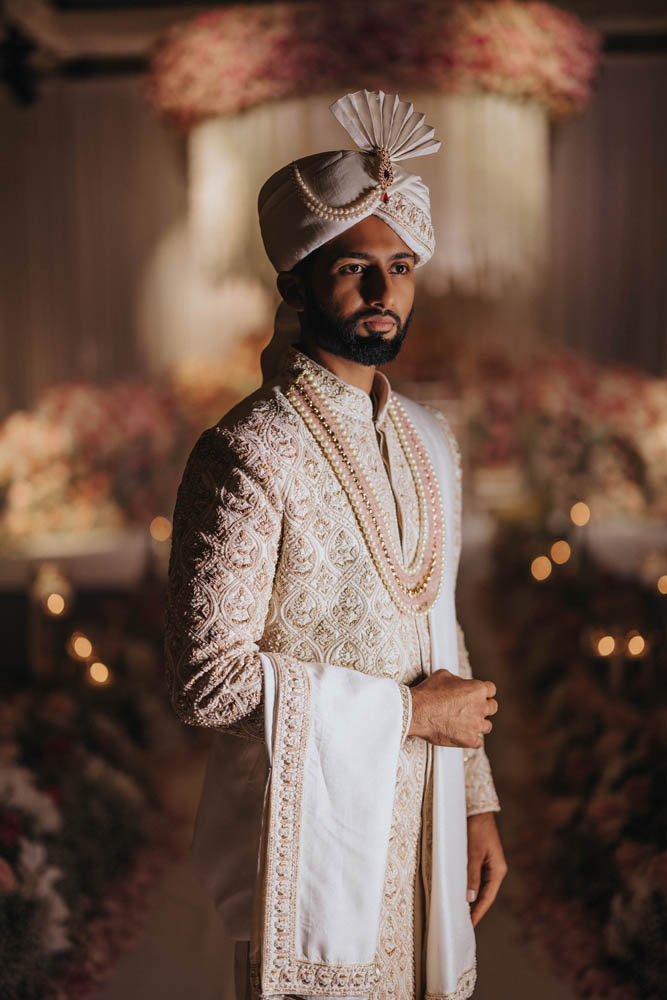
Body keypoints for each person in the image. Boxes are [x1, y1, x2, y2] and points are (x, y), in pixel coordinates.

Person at [166, 89, 506, 1000]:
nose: (382, 291)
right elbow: (205, 681)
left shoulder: (431, 440)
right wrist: (404, 717)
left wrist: (474, 801)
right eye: (354, 267)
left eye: (400, 266)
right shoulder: (246, 450)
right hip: (311, 847)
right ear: (299, 280)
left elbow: (438, 632)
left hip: (430, 822)